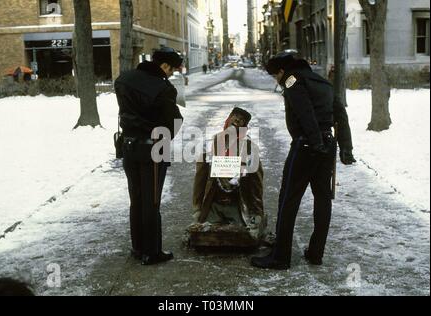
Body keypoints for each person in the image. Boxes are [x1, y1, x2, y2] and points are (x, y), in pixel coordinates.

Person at [251, 51, 356, 270]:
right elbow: (341, 115)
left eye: (274, 76)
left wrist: (314, 142)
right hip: (327, 145)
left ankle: (280, 257)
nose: (276, 80)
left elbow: (305, 112)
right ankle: (316, 252)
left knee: (288, 199)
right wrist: (346, 148)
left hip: (306, 145)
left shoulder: (292, 80)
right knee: (322, 198)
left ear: (282, 70)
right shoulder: (323, 82)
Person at [114, 47, 184, 265]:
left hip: (128, 146)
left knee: (136, 199)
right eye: (172, 70)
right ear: (164, 65)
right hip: (153, 149)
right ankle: (152, 252)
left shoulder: (124, 79)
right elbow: (174, 121)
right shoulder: (163, 88)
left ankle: (138, 247)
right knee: (151, 201)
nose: (171, 74)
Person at [191, 108, 266, 244]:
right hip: (214, 204)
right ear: (228, 120)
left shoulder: (249, 147)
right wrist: (197, 208)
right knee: (202, 234)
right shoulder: (211, 143)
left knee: (242, 236)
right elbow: (200, 177)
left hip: (237, 205)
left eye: (241, 120)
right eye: (235, 116)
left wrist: (257, 212)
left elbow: (257, 182)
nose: (237, 120)